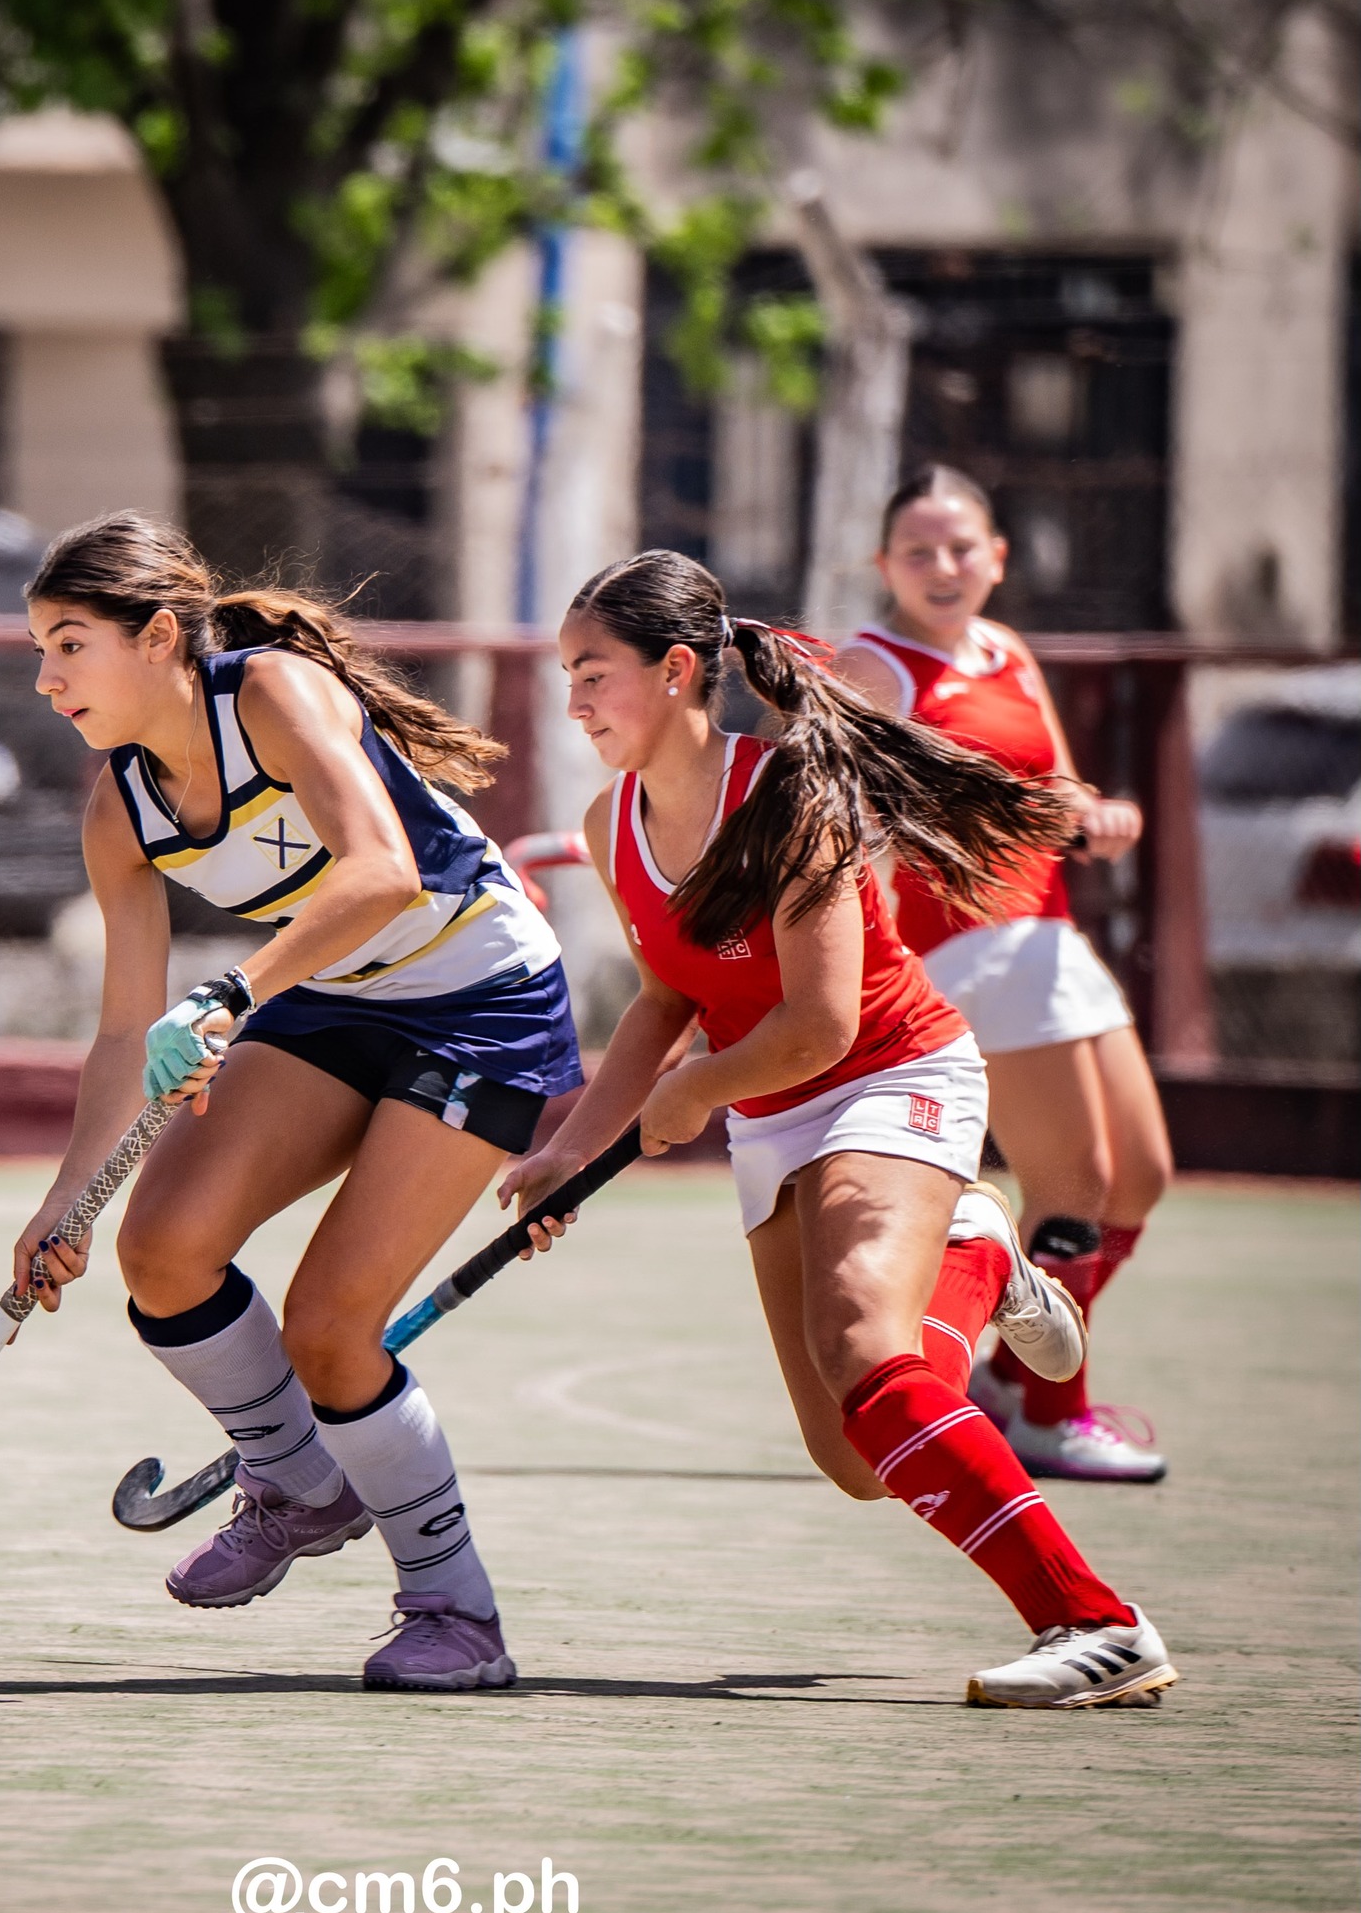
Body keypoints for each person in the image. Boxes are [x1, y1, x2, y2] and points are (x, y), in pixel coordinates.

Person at [502, 548, 1177, 1709]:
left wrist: (698, 1092)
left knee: (866, 1343)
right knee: (859, 1456)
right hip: (771, 1110)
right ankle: (979, 1254)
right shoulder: (609, 819)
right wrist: (576, 1144)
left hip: (889, 1071)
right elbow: (667, 996)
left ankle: (1095, 1620)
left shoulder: (789, 798)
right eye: (567, 674)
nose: (574, 701)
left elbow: (817, 1024)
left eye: (594, 673)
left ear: (675, 672)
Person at [12, 512, 582, 1693]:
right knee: (160, 1248)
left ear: (159, 634)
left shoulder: (271, 693)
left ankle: (455, 1610)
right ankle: (303, 1482)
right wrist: (63, 1201)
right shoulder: (119, 811)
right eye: (41, 648)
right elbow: (125, 1030)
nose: (47, 675)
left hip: (482, 996)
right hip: (337, 995)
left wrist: (230, 991)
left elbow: (385, 869)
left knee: (331, 1324)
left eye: (71, 643)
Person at [835, 467, 1174, 1482]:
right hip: (969, 945)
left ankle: (1002, 1379)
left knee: (1142, 1176)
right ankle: (1045, 1412)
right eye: (918, 550)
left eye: (962, 547)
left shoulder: (1008, 649)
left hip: (1051, 935)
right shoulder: (872, 667)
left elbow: (1056, 784)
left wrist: (1096, 814)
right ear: (884, 564)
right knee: (1073, 1182)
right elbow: (837, 826)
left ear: (997, 555)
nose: (943, 567)